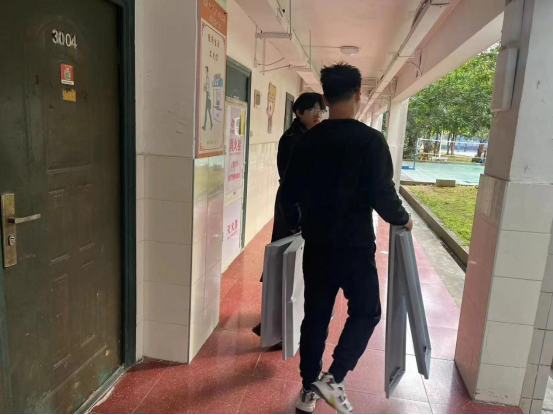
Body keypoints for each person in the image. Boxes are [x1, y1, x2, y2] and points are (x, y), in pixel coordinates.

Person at [280, 62, 413, 414]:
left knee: (316, 315)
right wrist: (403, 219)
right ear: (358, 94)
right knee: (366, 312)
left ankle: (308, 389)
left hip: (318, 245)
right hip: (355, 246)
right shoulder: (371, 140)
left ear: (324, 98)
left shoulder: (308, 141)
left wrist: (296, 224)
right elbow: (383, 195)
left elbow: (287, 192)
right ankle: (334, 377)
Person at [252, 92, 326, 338]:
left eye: (321, 109)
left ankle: (281, 320)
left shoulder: (309, 136)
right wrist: (296, 220)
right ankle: (274, 325)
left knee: (293, 264)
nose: (318, 114)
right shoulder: (293, 139)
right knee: (285, 263)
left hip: (301, 207)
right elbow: (290, 182)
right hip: (292, 207)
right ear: (299, 112)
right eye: (313, 109)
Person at [202, 66, 213, 131]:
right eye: (205, 70)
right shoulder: (207, 78)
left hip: (207, 95)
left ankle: (205, 126)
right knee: (208, 111)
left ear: (207, 71)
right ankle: (210, 124)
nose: (205, 71)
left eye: (206, 70)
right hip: (207, 94)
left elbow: (208, 88)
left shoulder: (207, 78)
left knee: (207, 111)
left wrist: (208, 95)